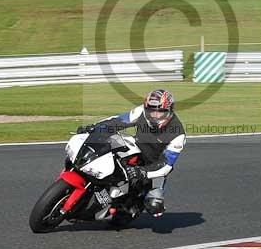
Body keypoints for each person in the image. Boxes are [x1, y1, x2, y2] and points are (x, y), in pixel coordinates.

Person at [78, 89, 185, 217]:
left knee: (155, 207)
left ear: (169, 111)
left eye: (160, 112)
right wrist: (95, 127)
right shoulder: (141, 112)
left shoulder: (178, 134)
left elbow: (166, 165)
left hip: (154, 167)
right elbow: (118, 121)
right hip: (136, 149)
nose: (155, 115)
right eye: (151, 110)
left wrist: (143, 171)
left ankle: (126, 207)